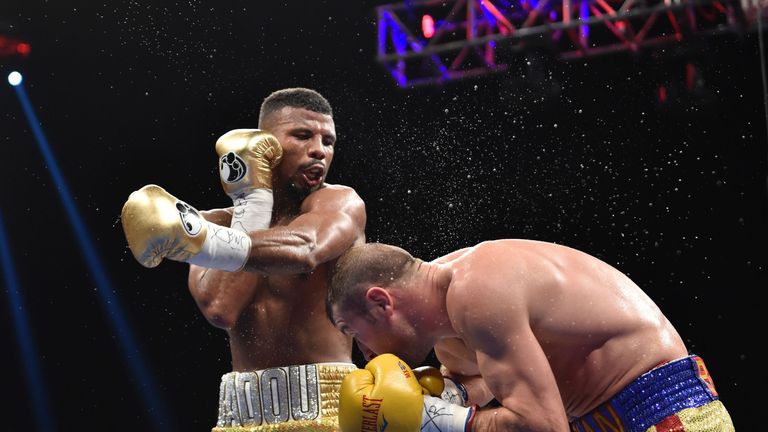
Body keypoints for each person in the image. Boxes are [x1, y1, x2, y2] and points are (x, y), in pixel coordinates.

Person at [121, 88, 366, 431]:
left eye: (329, 141)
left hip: (327, 411)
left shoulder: (340, 203)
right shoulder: (214, 224)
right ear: (264, 143)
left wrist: (203, 242)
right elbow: (221, 307)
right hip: (239, 416)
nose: (319, 150)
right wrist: (254, 202)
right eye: (302, 135)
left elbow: (305, 250)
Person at [326, 240, 734, 432]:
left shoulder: (476, 291)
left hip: (663, 413)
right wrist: (446, 394)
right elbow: (482, 379)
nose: (363, 354)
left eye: (352, 332)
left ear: (381, 303)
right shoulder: (449, 327)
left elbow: (540, 426)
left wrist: (433, 420)